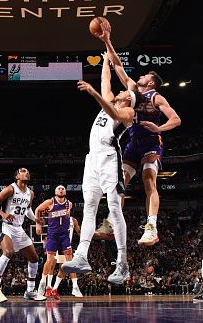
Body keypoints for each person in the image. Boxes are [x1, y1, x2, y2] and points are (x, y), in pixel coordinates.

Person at [94, 21, 181, 246]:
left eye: (144, 76)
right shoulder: (132, 89)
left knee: (148, 180)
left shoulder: (156, 98)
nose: (140, 76)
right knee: (119, 182)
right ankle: (111, 222)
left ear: (150, 82)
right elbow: (118, 66)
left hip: (151, 141)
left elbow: (176, 119)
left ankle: (151, 226)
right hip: (132, 142)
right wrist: (107, 40)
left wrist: (159, 128)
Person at [61, 46, 139, 285]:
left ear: (128, 98)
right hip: (92, 160)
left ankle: (123, 263)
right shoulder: (112, 100)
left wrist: (94, 93)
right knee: (88, 209)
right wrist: (105, 61)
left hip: (109, 158)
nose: (120, 90)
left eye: (125, 91)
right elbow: (106, 79)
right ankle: (82, 256)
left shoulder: (128, 111)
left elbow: (114, 113)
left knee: (114, 208)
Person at [0, 168, 46, 302]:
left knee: (34, 258)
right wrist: (3, 214)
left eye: (27, 171)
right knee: (8, 252)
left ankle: (30, 291)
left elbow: (28, 210)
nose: (26, 173)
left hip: (18, 229)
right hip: (4, 225)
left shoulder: (30, 193)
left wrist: (36, 219)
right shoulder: (10, 189)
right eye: (22, 171)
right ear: (16, 176)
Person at [35, 185, 82, 299]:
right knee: (50, 261)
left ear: (65, 191)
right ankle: (43, 282)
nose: (61, 190)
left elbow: (76, 228)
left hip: (64, 237)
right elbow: (37, 210)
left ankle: (74, 287)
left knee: (68, 262)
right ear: (55, 191)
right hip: (53, 236)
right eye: (58, 188)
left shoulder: (69, 204)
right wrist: (38, 223)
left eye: (63, 188)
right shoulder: (50, 202)